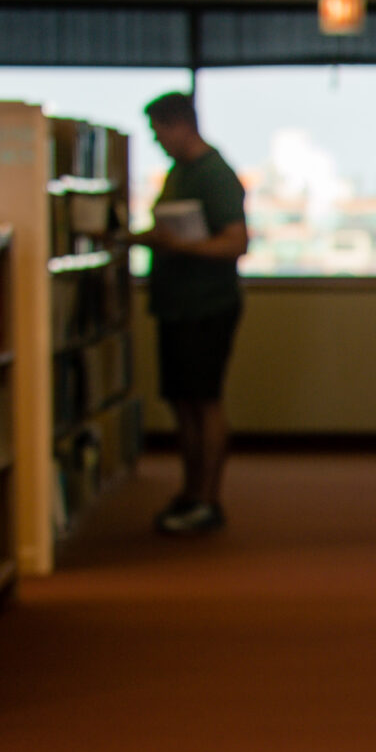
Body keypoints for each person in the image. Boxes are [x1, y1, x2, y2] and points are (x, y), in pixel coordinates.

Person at [134, 90, 250, 536]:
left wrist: (175, 245)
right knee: (182, 403)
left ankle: (207, 499)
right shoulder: (177, 174)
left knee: (204, 401)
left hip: (207, 305)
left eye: (158, 131)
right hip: (176, 305)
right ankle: (190, 491)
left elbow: (236, 243)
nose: (157, 140)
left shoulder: (214, 174)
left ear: (181, 124)